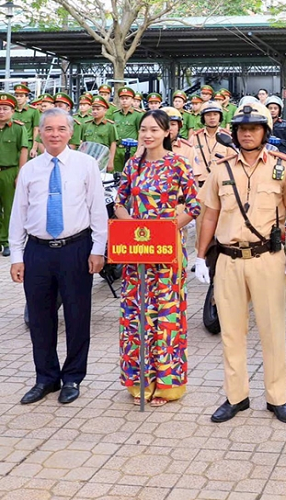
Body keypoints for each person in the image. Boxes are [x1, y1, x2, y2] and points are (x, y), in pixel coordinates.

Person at [194, 103, 286, 423]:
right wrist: (199, 256)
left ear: (265, 133)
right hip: (228, 259)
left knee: (272, 331)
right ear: (235, 133)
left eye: (254, 128)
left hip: (268, 257)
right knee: (231, 332)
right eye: (242, 129)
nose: (247, 134)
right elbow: (209, 213)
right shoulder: (221, 168)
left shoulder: (282, 167)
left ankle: (277, 397)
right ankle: (236, 396)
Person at [9, 107, 107, 405]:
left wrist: (98, 249)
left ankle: (73, 377)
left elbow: (97, 209)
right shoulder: (30, 169)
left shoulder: (85, 164)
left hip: (76, 249)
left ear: (70, 132)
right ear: (40, 132)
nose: (54, 134)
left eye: (60, 129)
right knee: (40, 317)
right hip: (37, 251)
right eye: (49, 129)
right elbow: (19, 213)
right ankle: (46, 378)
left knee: (77, 316)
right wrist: (16, 254)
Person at [114, 109, 200, 406]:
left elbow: (194, 203)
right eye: (143, 129)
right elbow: (120, 201)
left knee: (165, 315)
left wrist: (168, 228)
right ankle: (140, 382)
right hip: (136, 252)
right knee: (137, 316)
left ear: (167, 132)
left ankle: (166, 385)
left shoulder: (178, 164)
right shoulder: (132, 166)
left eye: (154, 129)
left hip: (166, 256)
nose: (147, 135)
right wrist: (130, 225)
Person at [190, 101, 234, 256]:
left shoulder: (227, 137)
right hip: (201, 187)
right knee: (201, 223)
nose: (212, 118)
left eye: (215, 114)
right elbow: (190, 161)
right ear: (203, 118)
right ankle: (201, 255)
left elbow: (233, 162)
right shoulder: (195, 138)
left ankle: (221, 255)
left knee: (223, 222)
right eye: (208, 115)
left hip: (222, 187)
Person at [0, 93, 30, 257]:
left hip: (9, 171)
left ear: (12, 111)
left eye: (5, 109)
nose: (1, 112)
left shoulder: (18, 128)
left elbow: (23, 150)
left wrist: (21, 173)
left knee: (10, 208)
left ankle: (6, 242)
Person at [80, 96, 117, 173]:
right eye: (93, 109)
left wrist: (111, 161)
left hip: (102, 158)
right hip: (88, 157)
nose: (95, 111)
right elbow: (83, 143)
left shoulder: (110, 126)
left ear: (105, 110)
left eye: (98, 109)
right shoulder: (86, 125)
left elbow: (113, 143)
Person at [110, 87, 143, 172]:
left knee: (130, 173)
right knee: (116, 174)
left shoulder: (138, 115)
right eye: (122, 98)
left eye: (127, 98)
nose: (124, 101)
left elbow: (141, 133)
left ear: (132, 100)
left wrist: (138, 151)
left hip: (131, 149)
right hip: (117, 150)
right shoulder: (115, 115)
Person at [13, 84, 39, 155]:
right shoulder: (10, 111)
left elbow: (36, 129)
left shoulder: (33, 111)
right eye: (17, 96)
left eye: (21, 96)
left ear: (27, 98)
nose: (18, 98)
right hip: (12, 143)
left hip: (28, 143)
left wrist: (34, 148)